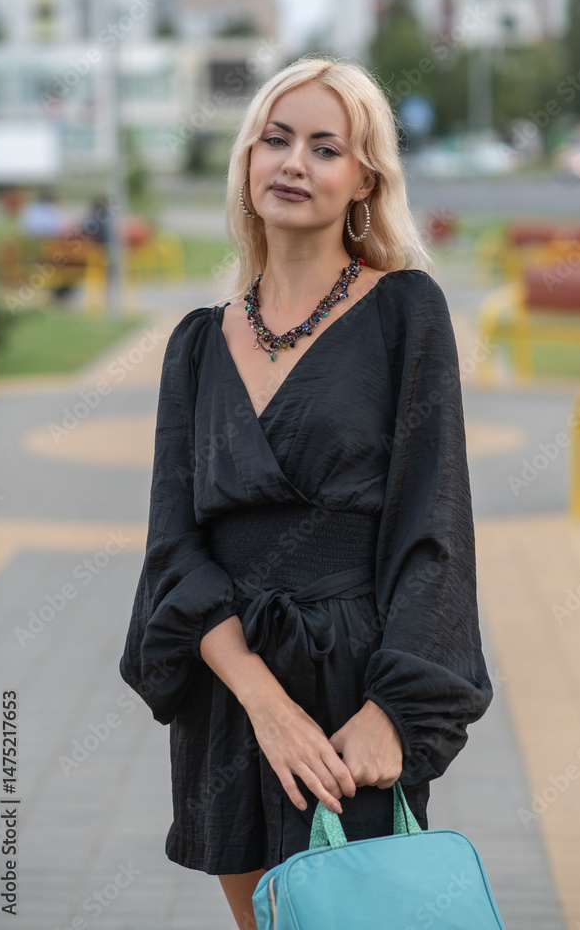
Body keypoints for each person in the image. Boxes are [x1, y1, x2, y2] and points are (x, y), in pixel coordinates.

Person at [119, 55, 493, 930]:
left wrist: (394, 712)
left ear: (365, 178)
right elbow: (172, 551)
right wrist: (259, 701)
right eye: (275, 139)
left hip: (353, 692)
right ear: (246, 162)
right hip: (232, 696)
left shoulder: (406, 312)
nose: (293, 163)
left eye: (325, 148)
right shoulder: (195, 344)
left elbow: (433, 528)